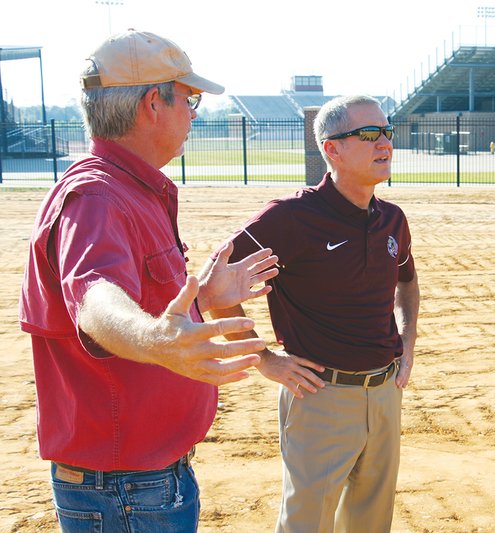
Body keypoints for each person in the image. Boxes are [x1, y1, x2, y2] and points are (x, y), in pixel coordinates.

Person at [19, 29, 280, 532]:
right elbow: (95, 300)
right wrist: (154, 340)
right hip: (124, 491)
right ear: (151, 105)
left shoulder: (130, 190)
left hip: (140, 483)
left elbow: (140, 294)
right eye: (189, 98)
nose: (194, 114)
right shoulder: (98, 198)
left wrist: (205, 297)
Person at [209, 94, 419, 532]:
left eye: (386, 132)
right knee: (309, 523)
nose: (384, 143)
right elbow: (216, 286)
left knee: (370, 522)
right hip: (320, 395)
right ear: (332, 148)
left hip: (384, 394)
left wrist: (408, 341)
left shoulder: (392, 219)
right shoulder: (290, 219)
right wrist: (264, 358)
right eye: (368, 134)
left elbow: (406, 281)